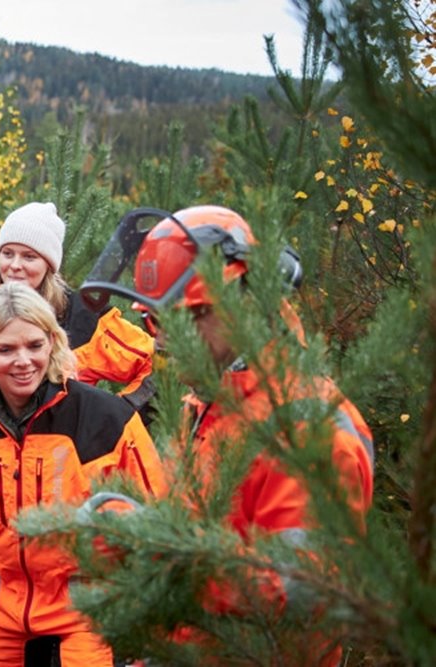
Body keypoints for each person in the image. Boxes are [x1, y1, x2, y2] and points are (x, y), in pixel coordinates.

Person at [77, 204, 375, 664]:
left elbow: (301, 590)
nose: (164, 339)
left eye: (189, 316)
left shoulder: (307, 428)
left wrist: (154, 552)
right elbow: (204, 529)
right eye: (155, 320)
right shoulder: (210, 403)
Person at [0, 282, 167, 666]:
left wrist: (150, 623)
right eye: (6, 349)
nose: (24, 361)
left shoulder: (107, 420)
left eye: (35, 345)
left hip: (89, 616)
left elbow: (157, 524)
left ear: (54, 343)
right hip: (3, 620)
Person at [0, 201, 155, 418]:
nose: (15, 265)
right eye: (8, 253)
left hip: (62, 461)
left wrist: (116, 416)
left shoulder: (85, 318)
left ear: (49, 265)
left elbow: (160, 368)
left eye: (29, 257)